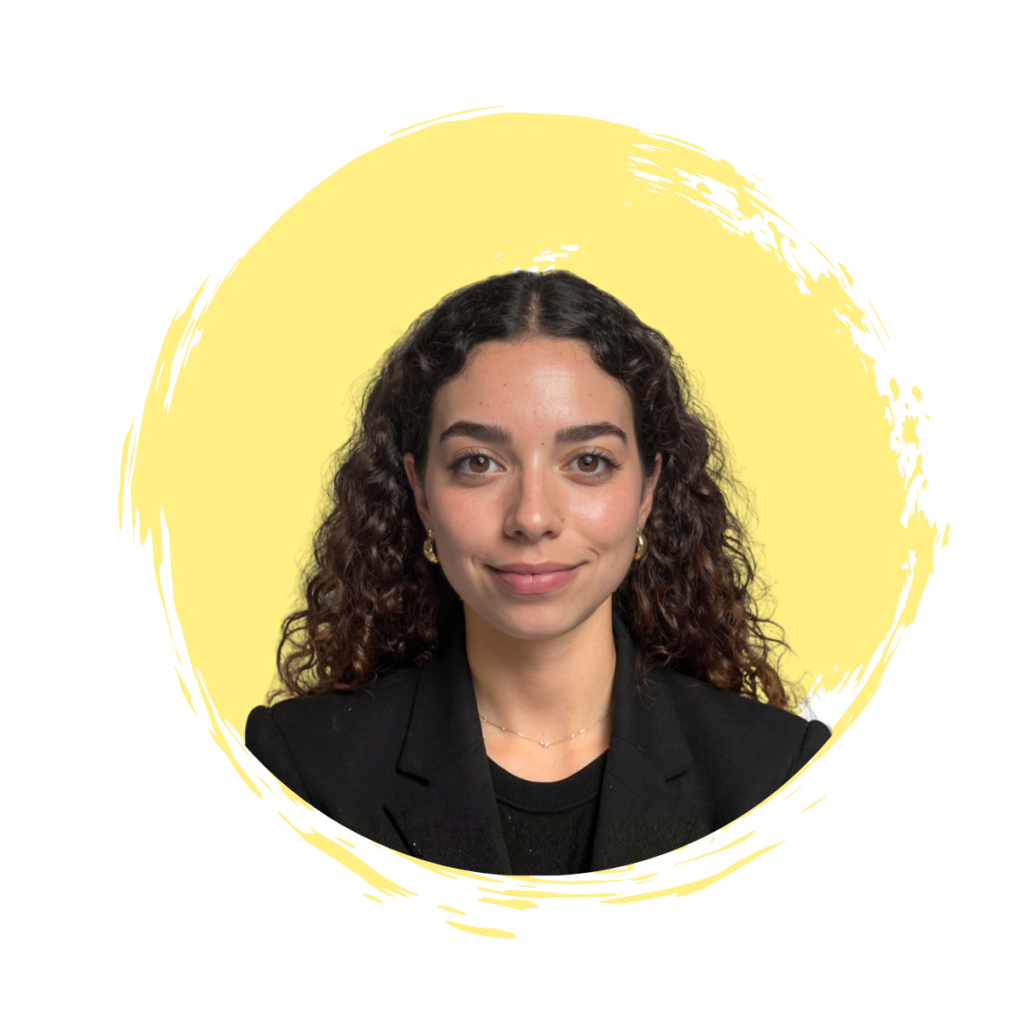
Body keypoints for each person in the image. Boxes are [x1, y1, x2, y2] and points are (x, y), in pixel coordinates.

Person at [245, 268, 831, 876]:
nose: (531, 517)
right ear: (421, 492)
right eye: (478, 462)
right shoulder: (301, 767)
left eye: (588, 462)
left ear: (647, 490)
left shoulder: (780, 772)